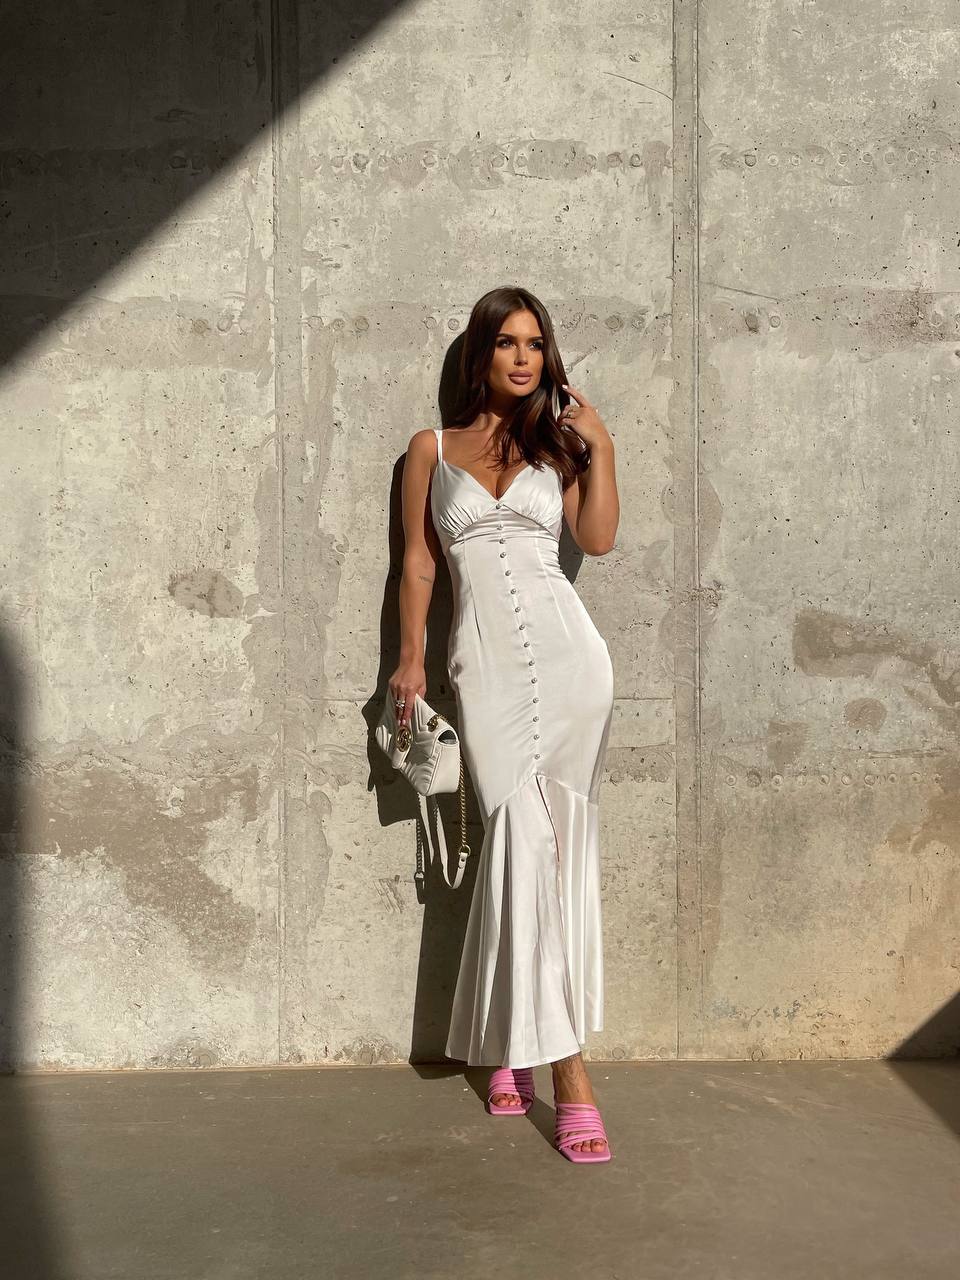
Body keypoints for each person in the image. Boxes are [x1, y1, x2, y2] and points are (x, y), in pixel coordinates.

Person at [389, 285, 619, 1163]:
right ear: (480, 354)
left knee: (545, 851)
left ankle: (550, 1067)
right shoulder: (431, 450)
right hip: (482, 668)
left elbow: (594, 542)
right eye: (507, 344)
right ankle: (537, 1054)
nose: (523, 358)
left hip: (572, 666)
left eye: (536, 344)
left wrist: (602, 447)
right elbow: (417, 562)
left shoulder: (557, 448)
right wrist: (411, 658)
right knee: (517, 842)